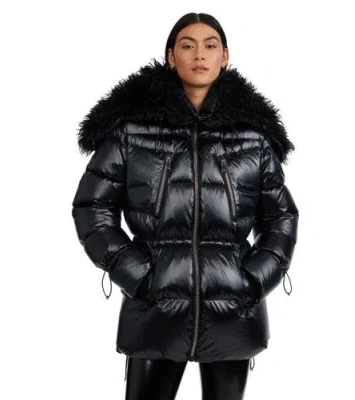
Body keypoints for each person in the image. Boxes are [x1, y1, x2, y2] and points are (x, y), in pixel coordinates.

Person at [71, 12, 299, 400]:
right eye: (188, 45)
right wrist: (138, 276)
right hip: (154, 309)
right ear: (170, 55)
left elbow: (281, 217)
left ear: (225, 56)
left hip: (232, 311)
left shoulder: (252, 137)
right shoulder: (132, 131)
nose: (199, 55)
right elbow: (92, 207)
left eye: (210, 46)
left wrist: (254, 280)